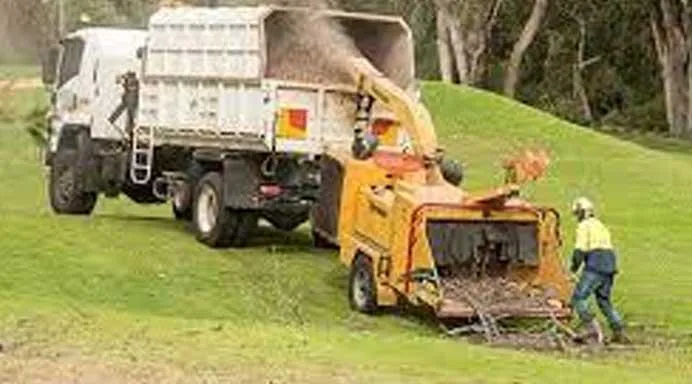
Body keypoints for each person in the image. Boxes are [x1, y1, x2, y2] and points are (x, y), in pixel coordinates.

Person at [569, 197, 628, 344]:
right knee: (603, 300)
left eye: (577, 214)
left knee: (579, 298)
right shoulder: (600, 225)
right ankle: (618, 329)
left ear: (582, 212)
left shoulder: (584, 226)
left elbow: (580, 250)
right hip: (610, 264)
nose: (577, 217)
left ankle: (591, 328)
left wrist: (573, 268)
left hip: (596, 264)